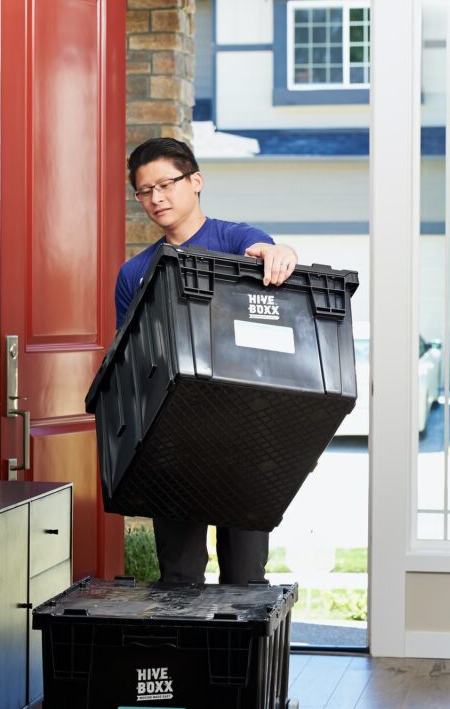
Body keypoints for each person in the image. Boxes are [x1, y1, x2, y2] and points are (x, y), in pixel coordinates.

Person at [116, 137, 299, 585]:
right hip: (173, 442)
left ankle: (242, 659)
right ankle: (191, 658)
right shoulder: (134, 272)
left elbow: (266, 250)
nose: (156, 198)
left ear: (195, 181)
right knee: (178, 576)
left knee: (246, 576)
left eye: (166, 184)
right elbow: (129, 361)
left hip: (247, 437)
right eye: (144, 191)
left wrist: (279, 254)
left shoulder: (234, 239)